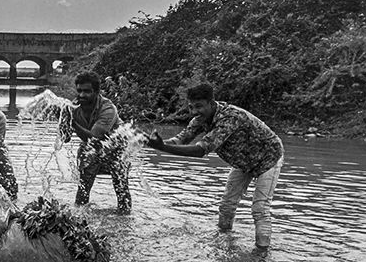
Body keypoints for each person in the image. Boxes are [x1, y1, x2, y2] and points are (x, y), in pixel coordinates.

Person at [146, 83, 283, 249]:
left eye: (199, 106)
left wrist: (162, 147)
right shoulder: (199, 120)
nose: (195, 111)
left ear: (211, 103)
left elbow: (200, 150)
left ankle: (261, 254)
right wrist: (151, 143)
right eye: (191, 107)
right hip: (242, 161)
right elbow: (180, 140)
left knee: (260, 209)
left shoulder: (231, 117)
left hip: (268, 157)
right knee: (226, 206)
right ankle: (224, 241)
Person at [59, 71, 132, 213]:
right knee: (83, 186)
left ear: (97, 92)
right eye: (79, 90)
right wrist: (63, 119)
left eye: (87, 91)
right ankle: (79, 215)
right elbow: (65, 138)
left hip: (117, 148)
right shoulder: (72, 107)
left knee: (121, 188)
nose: (81, 95)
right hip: (91, 149)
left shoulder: (108, 108)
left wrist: (72, 122)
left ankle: (124, 219)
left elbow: (94, 137)